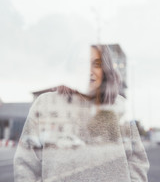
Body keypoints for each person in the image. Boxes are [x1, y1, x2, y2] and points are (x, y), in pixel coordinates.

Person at [14, 44, 150, 182]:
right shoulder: (45, 104)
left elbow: (137, 160)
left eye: (97, 64)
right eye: (82, 63)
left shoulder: (119, 106)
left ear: (105, 70)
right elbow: (26, 162)